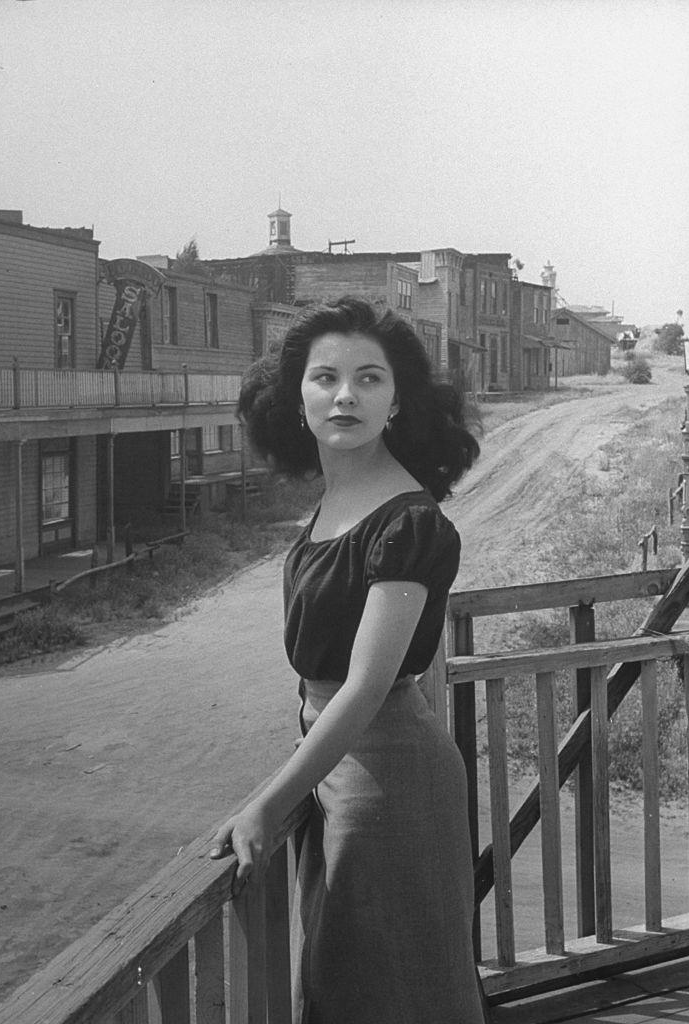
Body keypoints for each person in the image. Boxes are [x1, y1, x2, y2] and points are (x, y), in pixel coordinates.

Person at [210, 296, 484, 1023]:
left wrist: (268, 801)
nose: (345, 395)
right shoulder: (338, 501)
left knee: (391, 988)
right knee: (340, 979)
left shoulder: (410, 522)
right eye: (324, 377)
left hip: (389, 781)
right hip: (334, 770)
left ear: (396, 401)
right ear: (296, 398)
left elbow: (365, 688)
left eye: (369, 379)